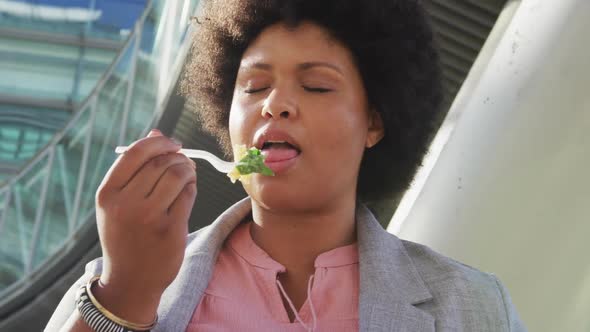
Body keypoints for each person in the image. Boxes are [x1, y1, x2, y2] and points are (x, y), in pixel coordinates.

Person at [46, 0, 526, 331]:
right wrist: (123, 299)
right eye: (253, 87)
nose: (274, 104)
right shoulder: (112, 283)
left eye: (316, 86)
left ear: (374, 122)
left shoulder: (474, 307)